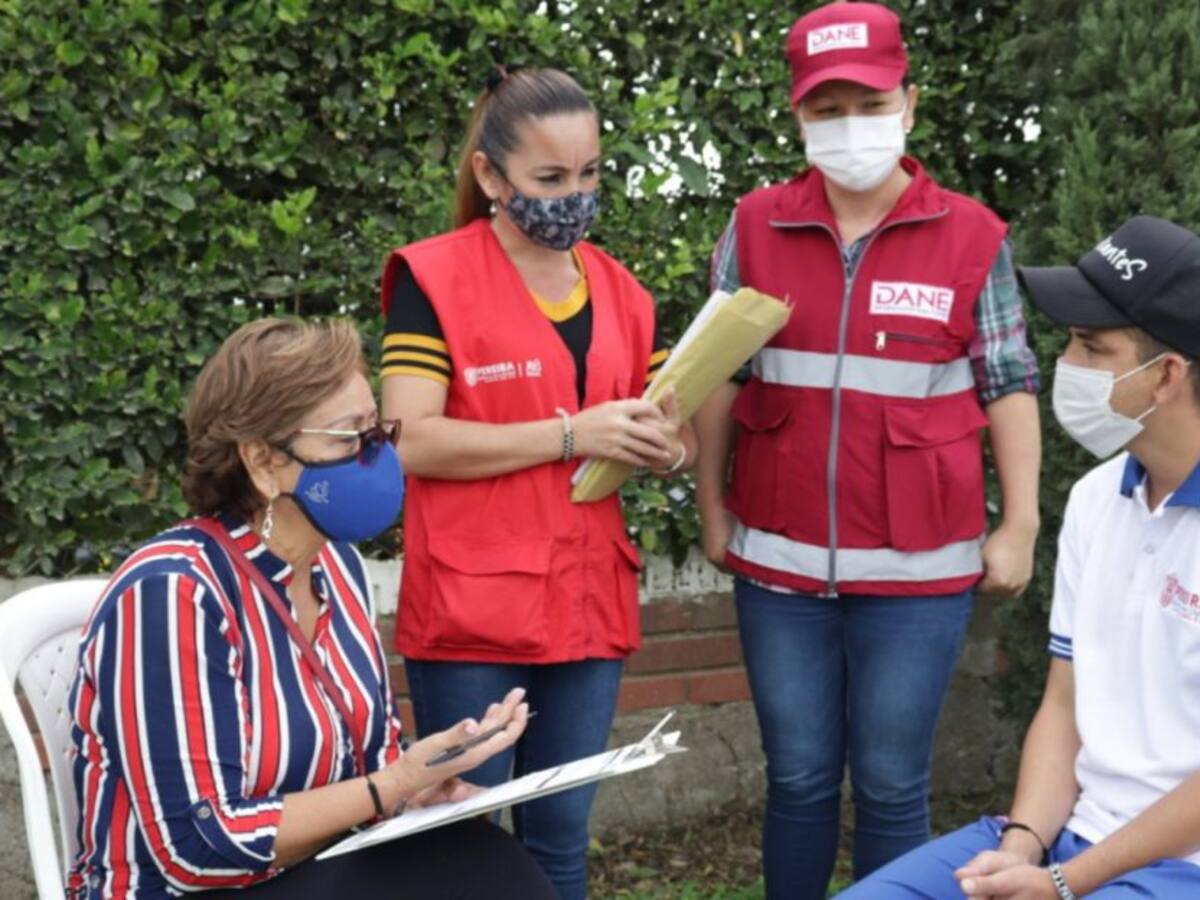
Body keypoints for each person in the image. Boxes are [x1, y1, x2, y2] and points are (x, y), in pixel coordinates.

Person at [692, 3, 1043, 897]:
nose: (850, 126)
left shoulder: (973, 237)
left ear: (910, 104)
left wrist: (1022, 525)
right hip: (777, 567)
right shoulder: (756, 224)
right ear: (798, 115)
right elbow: (714, 378)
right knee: (799, 778)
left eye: (870, 102)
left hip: (920, 574)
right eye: (826, 108)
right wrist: (710, 507)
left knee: (892, 786)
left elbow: (1008, 384)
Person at [65, 318, 555, 899]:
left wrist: (420, 789)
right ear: (263, 461)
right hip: (189, 891)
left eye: (377, 432)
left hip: (316, 869)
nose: (374, 456)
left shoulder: (338, 568)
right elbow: (195, 848)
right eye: (348, 438)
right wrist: (391, 784)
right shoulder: (173, 592)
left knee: (486, 861)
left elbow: (369, 765)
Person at [379, 66, 695, 899]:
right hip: (472, 611)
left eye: (589, 174)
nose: (575, 195)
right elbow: (406, 438)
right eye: (550, 179)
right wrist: (569, 434)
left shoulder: (624, 292)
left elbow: (675, 422)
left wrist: (669, 446)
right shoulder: (433, 277)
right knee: (459, 836)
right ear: (491, 176)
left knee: (561, 833)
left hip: (588, 605)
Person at [839, 215, 1200, 898]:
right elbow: (1066, 701)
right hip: (1065, 837)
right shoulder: (1099, 498)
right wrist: (1022, 844)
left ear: (1166, 376)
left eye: (1092, 347)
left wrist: (1066, 884)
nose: (1065, 365)